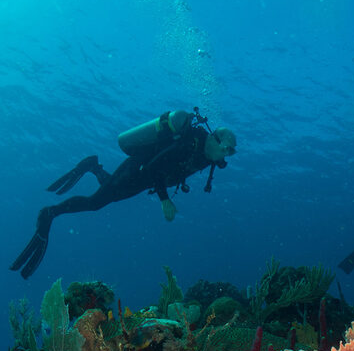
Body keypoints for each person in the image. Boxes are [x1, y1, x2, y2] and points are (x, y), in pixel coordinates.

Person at [10, 108, 237, 279]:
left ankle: (93, 166)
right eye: (226, 149)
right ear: (215, 138)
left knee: (111, 195)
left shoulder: (207, 155)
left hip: (142, 179)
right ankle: (49, 213)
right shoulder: (190, 144)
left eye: (230, 152)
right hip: (137, 169)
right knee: (95, 202)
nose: (225, 157)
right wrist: (164, 200)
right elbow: (158, 167)